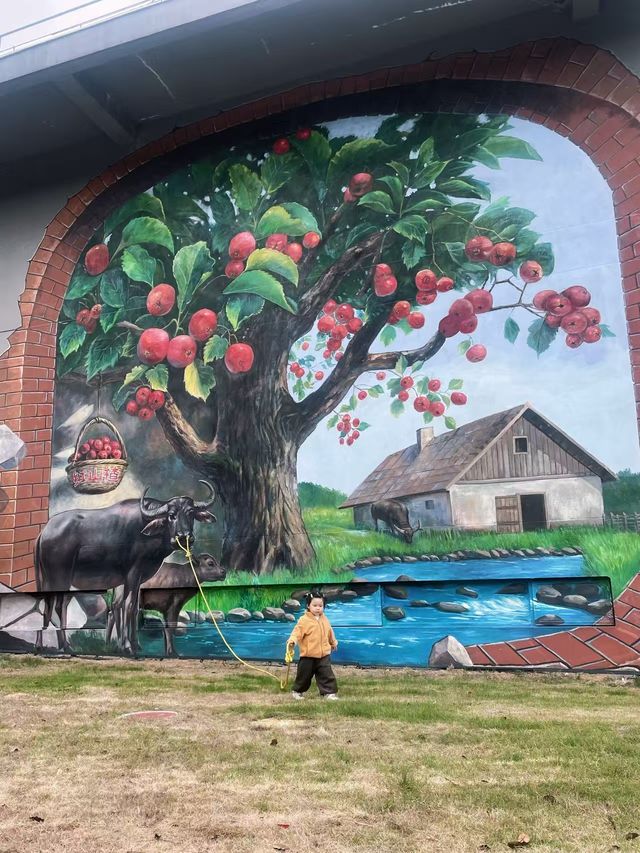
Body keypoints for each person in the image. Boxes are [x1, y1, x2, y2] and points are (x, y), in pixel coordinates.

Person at [286, 591, 339, 700]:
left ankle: (329, 693)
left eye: (321, 605)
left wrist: (333, 642)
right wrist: (292, 641)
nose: (318, 608)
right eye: (315, 605)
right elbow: (297, 633)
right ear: (308, 606)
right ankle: (298, 691)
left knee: (326, 674)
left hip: (324, 654)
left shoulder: (324, 619)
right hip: (308, 656)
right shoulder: (304, 620)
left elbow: (329, 632)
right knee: (304, 676)